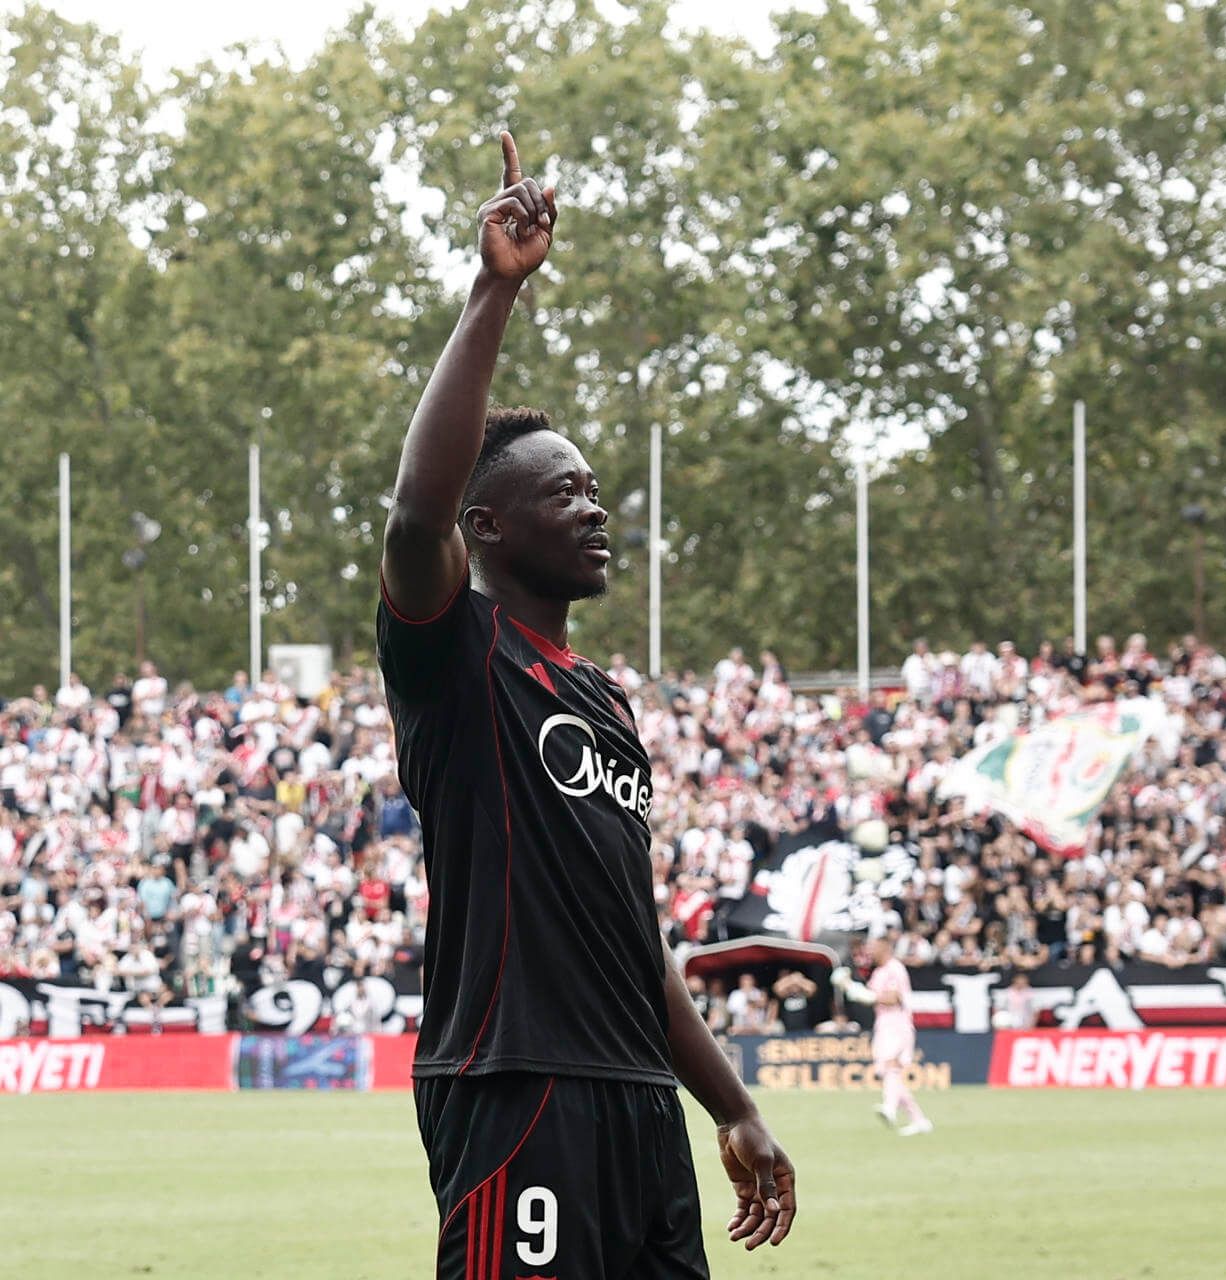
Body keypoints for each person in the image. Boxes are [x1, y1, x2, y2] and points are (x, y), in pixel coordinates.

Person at [377, 130, 794, 1279]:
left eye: (597, 490)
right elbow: (416, 515)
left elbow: (633, 937)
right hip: (519, 1086)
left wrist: (730, 1103)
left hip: (640, 1107)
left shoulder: (606, 703)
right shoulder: (460, 662)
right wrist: (492, 293)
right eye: (566, 491)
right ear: (493, 527)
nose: (597, 510)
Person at [835, 934, 932, 1136]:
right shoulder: (879, 973)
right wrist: (849, 987)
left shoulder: (895, 968)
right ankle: (918, 1119)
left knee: (891, 1066)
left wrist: (862, 993)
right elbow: (870, 999)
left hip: (897, 1022)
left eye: (874, 947)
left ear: (885, 948)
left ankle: (889, 1108)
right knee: (889, 1073)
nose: (870, 951)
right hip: (883, 1024)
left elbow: (893, 998)